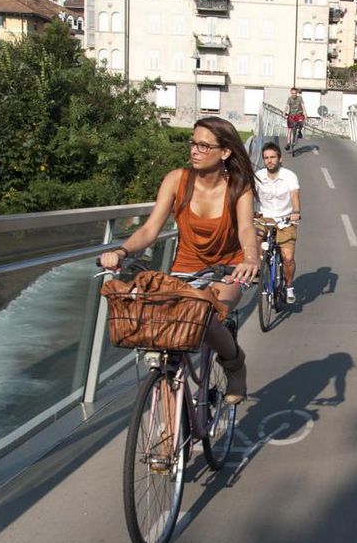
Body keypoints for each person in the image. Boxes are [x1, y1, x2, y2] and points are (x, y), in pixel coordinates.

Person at [99, 116, 259, 404]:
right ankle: (170, 429)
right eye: (192, 143)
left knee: (207, 315)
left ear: (225, 152)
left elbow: (247, 228)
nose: (194, 150)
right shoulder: (177, 180)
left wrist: (250, 259)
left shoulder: (238, 186)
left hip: (228, 269)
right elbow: (150, 229)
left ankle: (235, 364)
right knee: (161, 328)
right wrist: (122, 251)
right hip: (184, 268)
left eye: (203, 145)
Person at [254, 142, 302, 303]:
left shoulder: (289, 176)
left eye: (272, 157)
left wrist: (295, 212)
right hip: (265, 216)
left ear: (280, 159)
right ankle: (257, 270)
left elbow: (294, 194)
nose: (269, 161)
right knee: (255, 238)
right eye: (266, 158)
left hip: (285, 218)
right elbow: (248, 194)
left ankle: (289, 286)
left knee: (287, 257)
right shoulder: (258, 176)